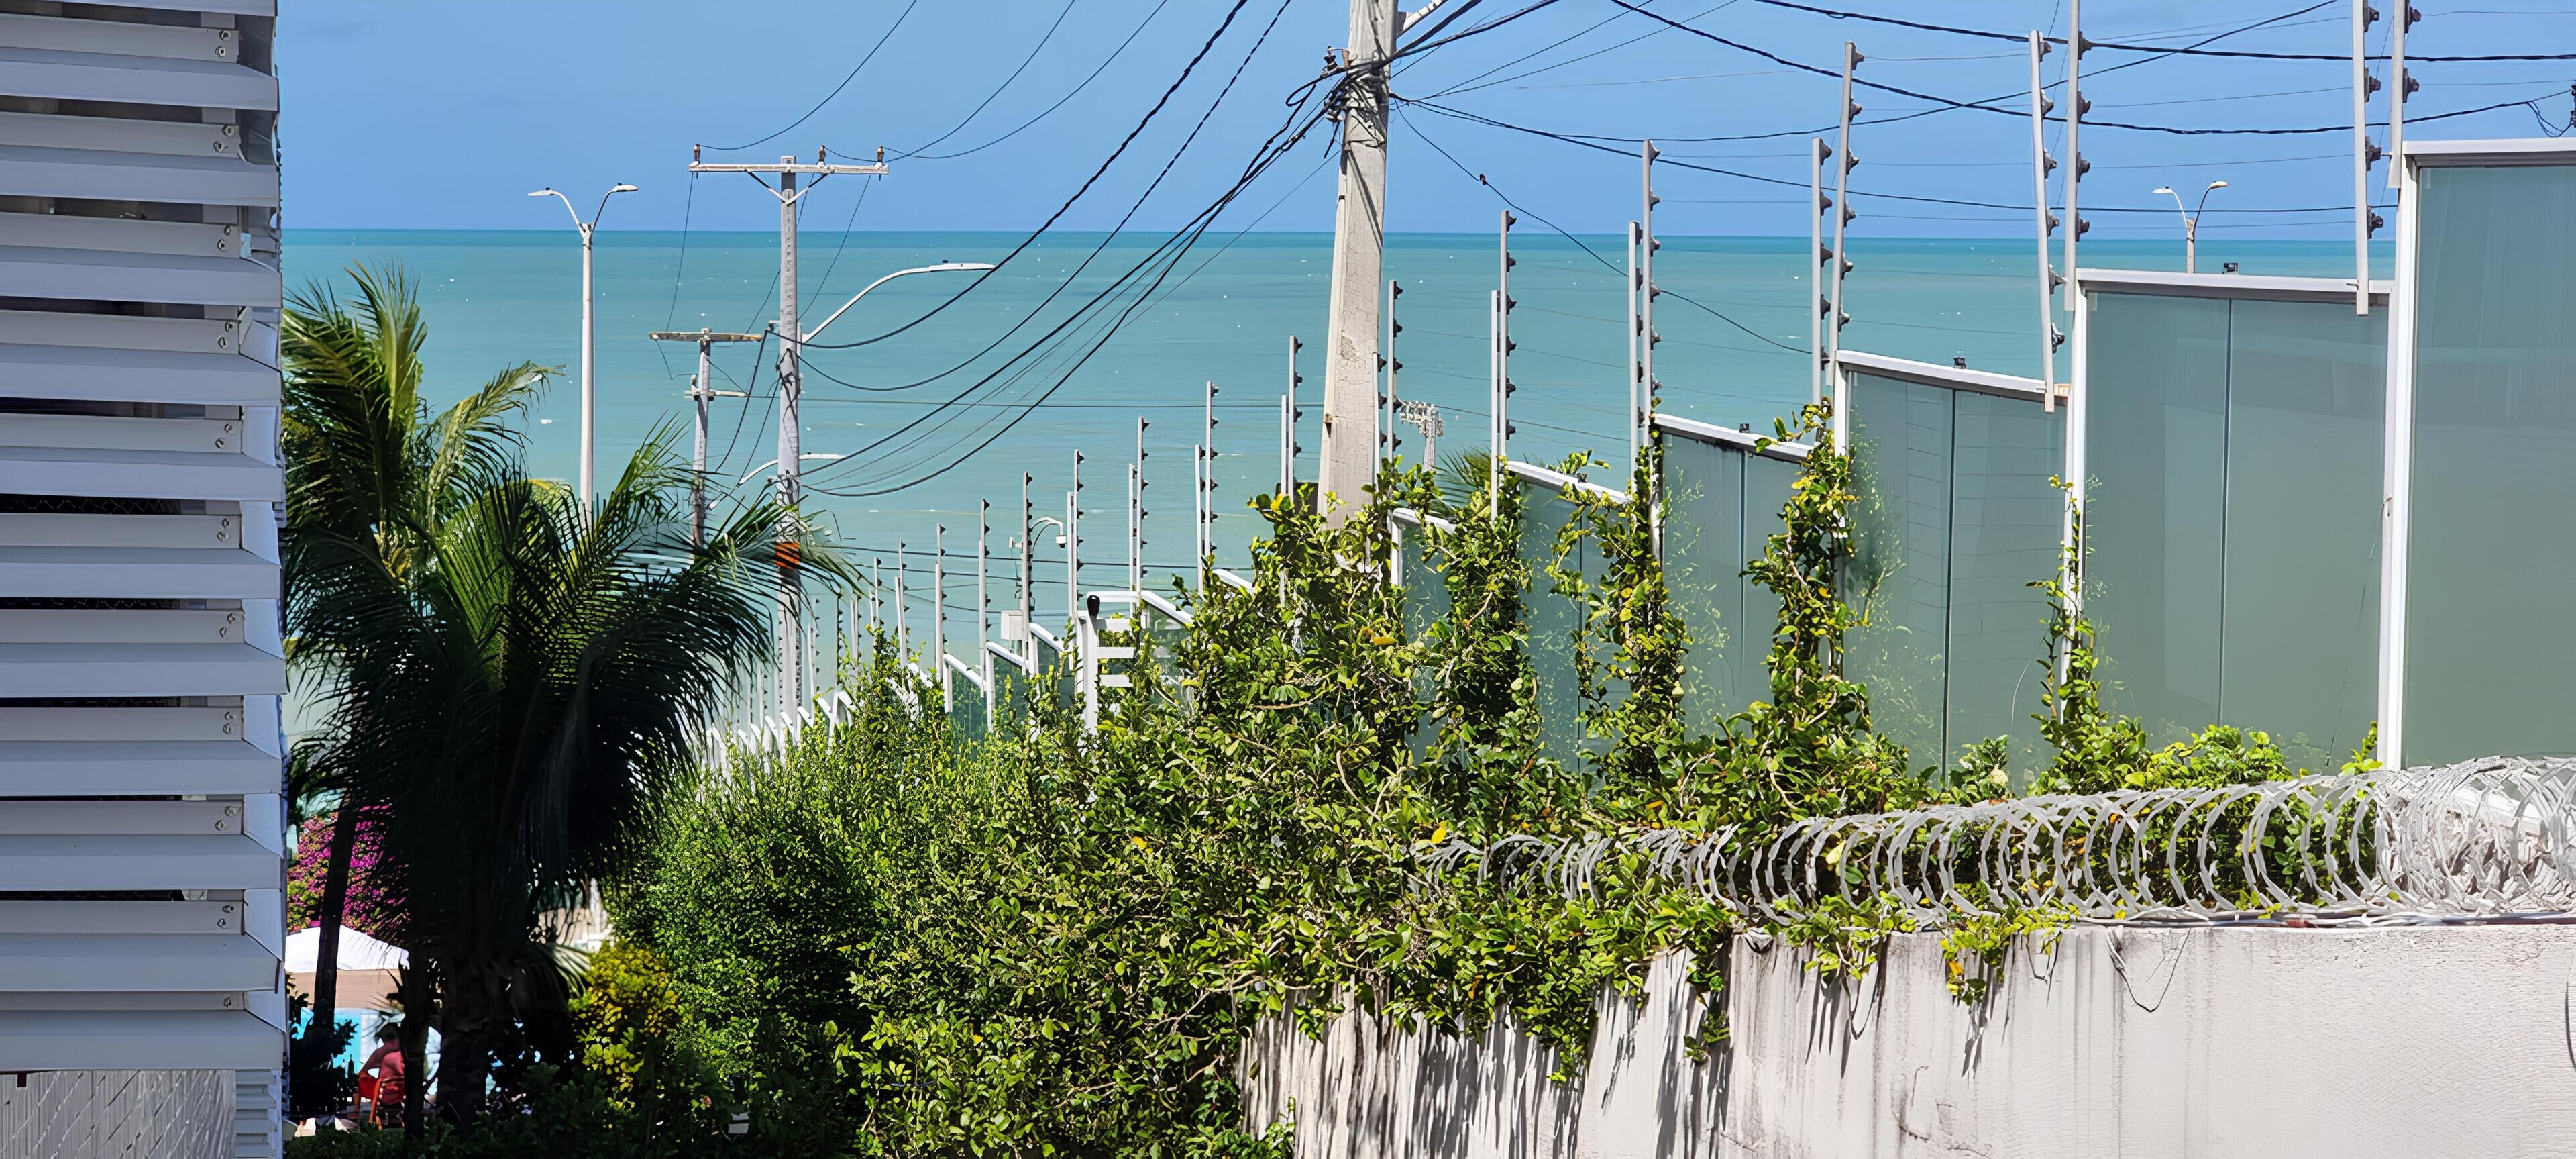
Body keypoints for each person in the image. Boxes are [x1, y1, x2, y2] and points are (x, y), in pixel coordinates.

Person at [358, 1023, 407, 1127]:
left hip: (399, 1093)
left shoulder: (404, 1052)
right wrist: (379, 1085)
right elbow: (363, 1073)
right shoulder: (384, 1051)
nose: (389, 1042)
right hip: (386, 1092)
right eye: (386, 1039)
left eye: (391, 1037)